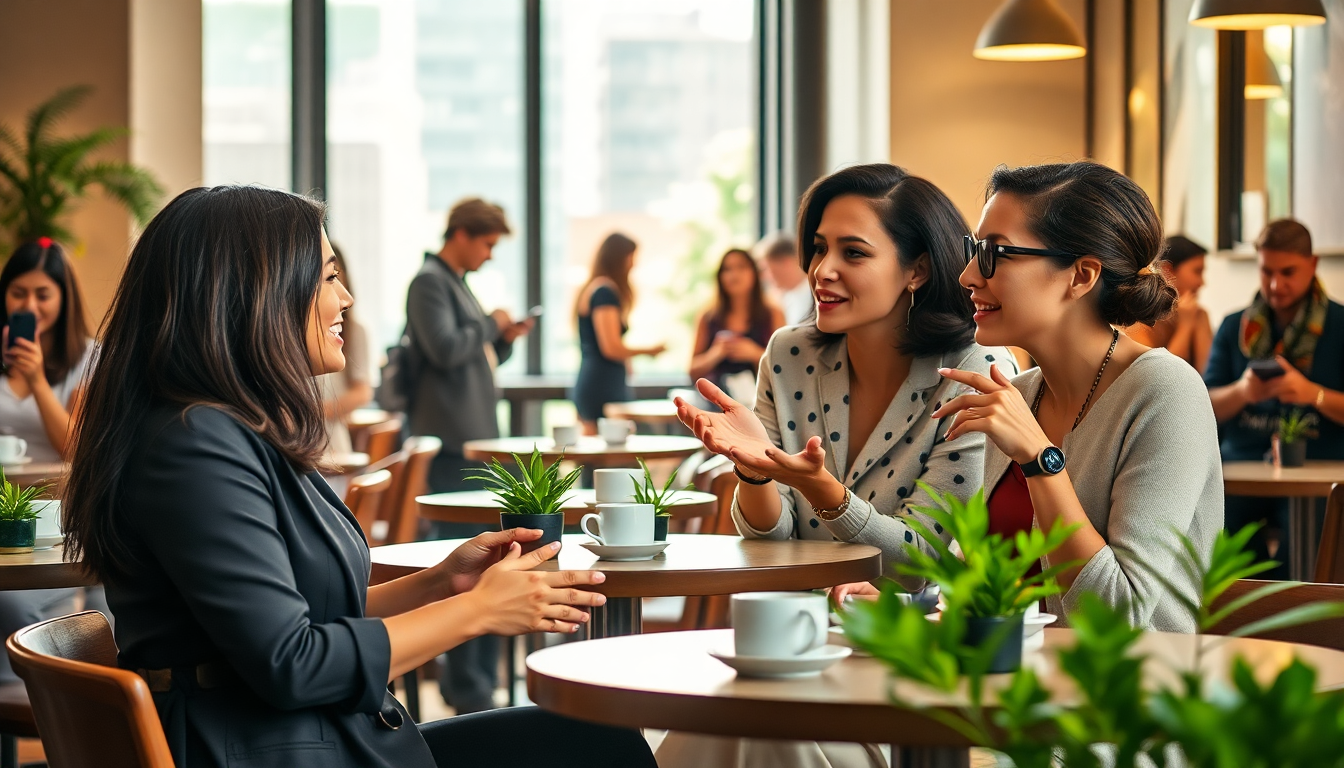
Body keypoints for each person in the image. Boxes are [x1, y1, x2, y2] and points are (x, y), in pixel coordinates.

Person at [62, 185, 656, 768]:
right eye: (327, 277)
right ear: (254, 294)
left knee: (599, 738)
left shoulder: (226, 431)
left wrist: (443, 583)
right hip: (261, 749)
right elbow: (291, 663)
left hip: (301, 738)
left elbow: (303, 622)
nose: (344, 298)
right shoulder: (195, 444)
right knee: (600, 747)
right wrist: (478, 612)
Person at [666, 164, 1015, 768]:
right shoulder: (789, 353)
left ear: (917, 270)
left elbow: (923, 558)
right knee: (720, 719)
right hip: (792, 645)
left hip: (913, 664)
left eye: (853, 252)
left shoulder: (974, 371)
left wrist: (828, 494)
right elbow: (771, 542)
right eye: (819, 248)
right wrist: (755, 471)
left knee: (756, 729)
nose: (822, 270)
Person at [933, 161, 1221, 632]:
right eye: (974, 250)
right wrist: (912, 598)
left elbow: (1119, 618)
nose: (967, 275)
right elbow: (982, 580)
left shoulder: (1166, 392)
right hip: (1016, 670)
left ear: (1081, 275)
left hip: (1128, 676)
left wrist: (1040, 459)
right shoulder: (1020, 395)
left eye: (994, 253)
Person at [405, 197, 534, 714]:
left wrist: (503, 338)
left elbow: (471, 355)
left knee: (485, 565)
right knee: (462, 568)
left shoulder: (455, 283)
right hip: (452, 447)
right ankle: (467, 688)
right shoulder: (428, 283)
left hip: (474, 443)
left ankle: (479, 685)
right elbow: (444, 348)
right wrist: (490, 324)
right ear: (461, 234)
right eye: (486, 243)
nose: (489, 254)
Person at [1206, 219, 1344, 579]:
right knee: (1225, 553)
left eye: (1288, 272)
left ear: (1313, 265)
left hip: (1320, 471)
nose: (1274, 284)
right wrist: (1242, 392)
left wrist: (1313, 394)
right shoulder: (1234, 326)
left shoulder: (1340, 325)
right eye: (1266, 271)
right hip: (1240, 471)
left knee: (1306, 556)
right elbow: (1202, 407)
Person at [0, 237, 96, 683]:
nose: (30, 305)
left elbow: (77, 449)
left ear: (64, 297)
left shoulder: (88, 359)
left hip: (54, 513)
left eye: (43, 294)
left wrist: (37, 381)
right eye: (19, 293)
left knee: (13, 603)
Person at [573, 233, 665, 433]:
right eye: (631, 257)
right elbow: (611, 347)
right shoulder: (604, 293)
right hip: (601, 384)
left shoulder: (595, 288)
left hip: (599, 379)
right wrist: (648, 351)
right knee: (610, 446)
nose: (634, 263)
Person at [688, 247, 784, 391]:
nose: (734, 275)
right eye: (727, 269)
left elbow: (785, 367)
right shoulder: (708, 316)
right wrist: (715, 354)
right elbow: (691, 371)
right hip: (715, 398)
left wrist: (754, 354)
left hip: (759, 398)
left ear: (755, 273)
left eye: (741, 267)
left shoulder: (773, 314)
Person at [1125, 234, 1213, 372]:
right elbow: (1162, 376)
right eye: (1197, 271)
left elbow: (1208, 375)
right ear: (1168, 270)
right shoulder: (1140, 321)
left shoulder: (1198, 314)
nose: (1201, 283)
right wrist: (1185, 326)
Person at [320, 243, 372, 456]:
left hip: (332, 437)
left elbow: (362, 391)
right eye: (329, 278)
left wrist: (318, 412)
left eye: (335, 276)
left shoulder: (354, 330)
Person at [756, 231, 812, 325]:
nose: (764, 277)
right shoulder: (783, 297)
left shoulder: (813, 298)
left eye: (766, 269)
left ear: (786, 262)